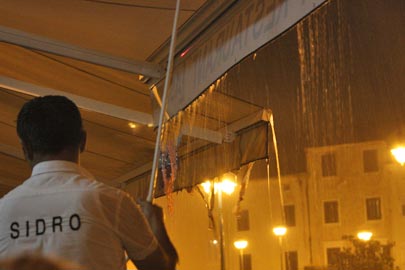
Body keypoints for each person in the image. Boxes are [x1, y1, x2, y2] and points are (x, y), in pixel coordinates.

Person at [0, 96, 178, 270]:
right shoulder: (112, 202)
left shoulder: (3, 210)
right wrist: (155, 222)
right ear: (83, 141)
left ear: (25, 150)